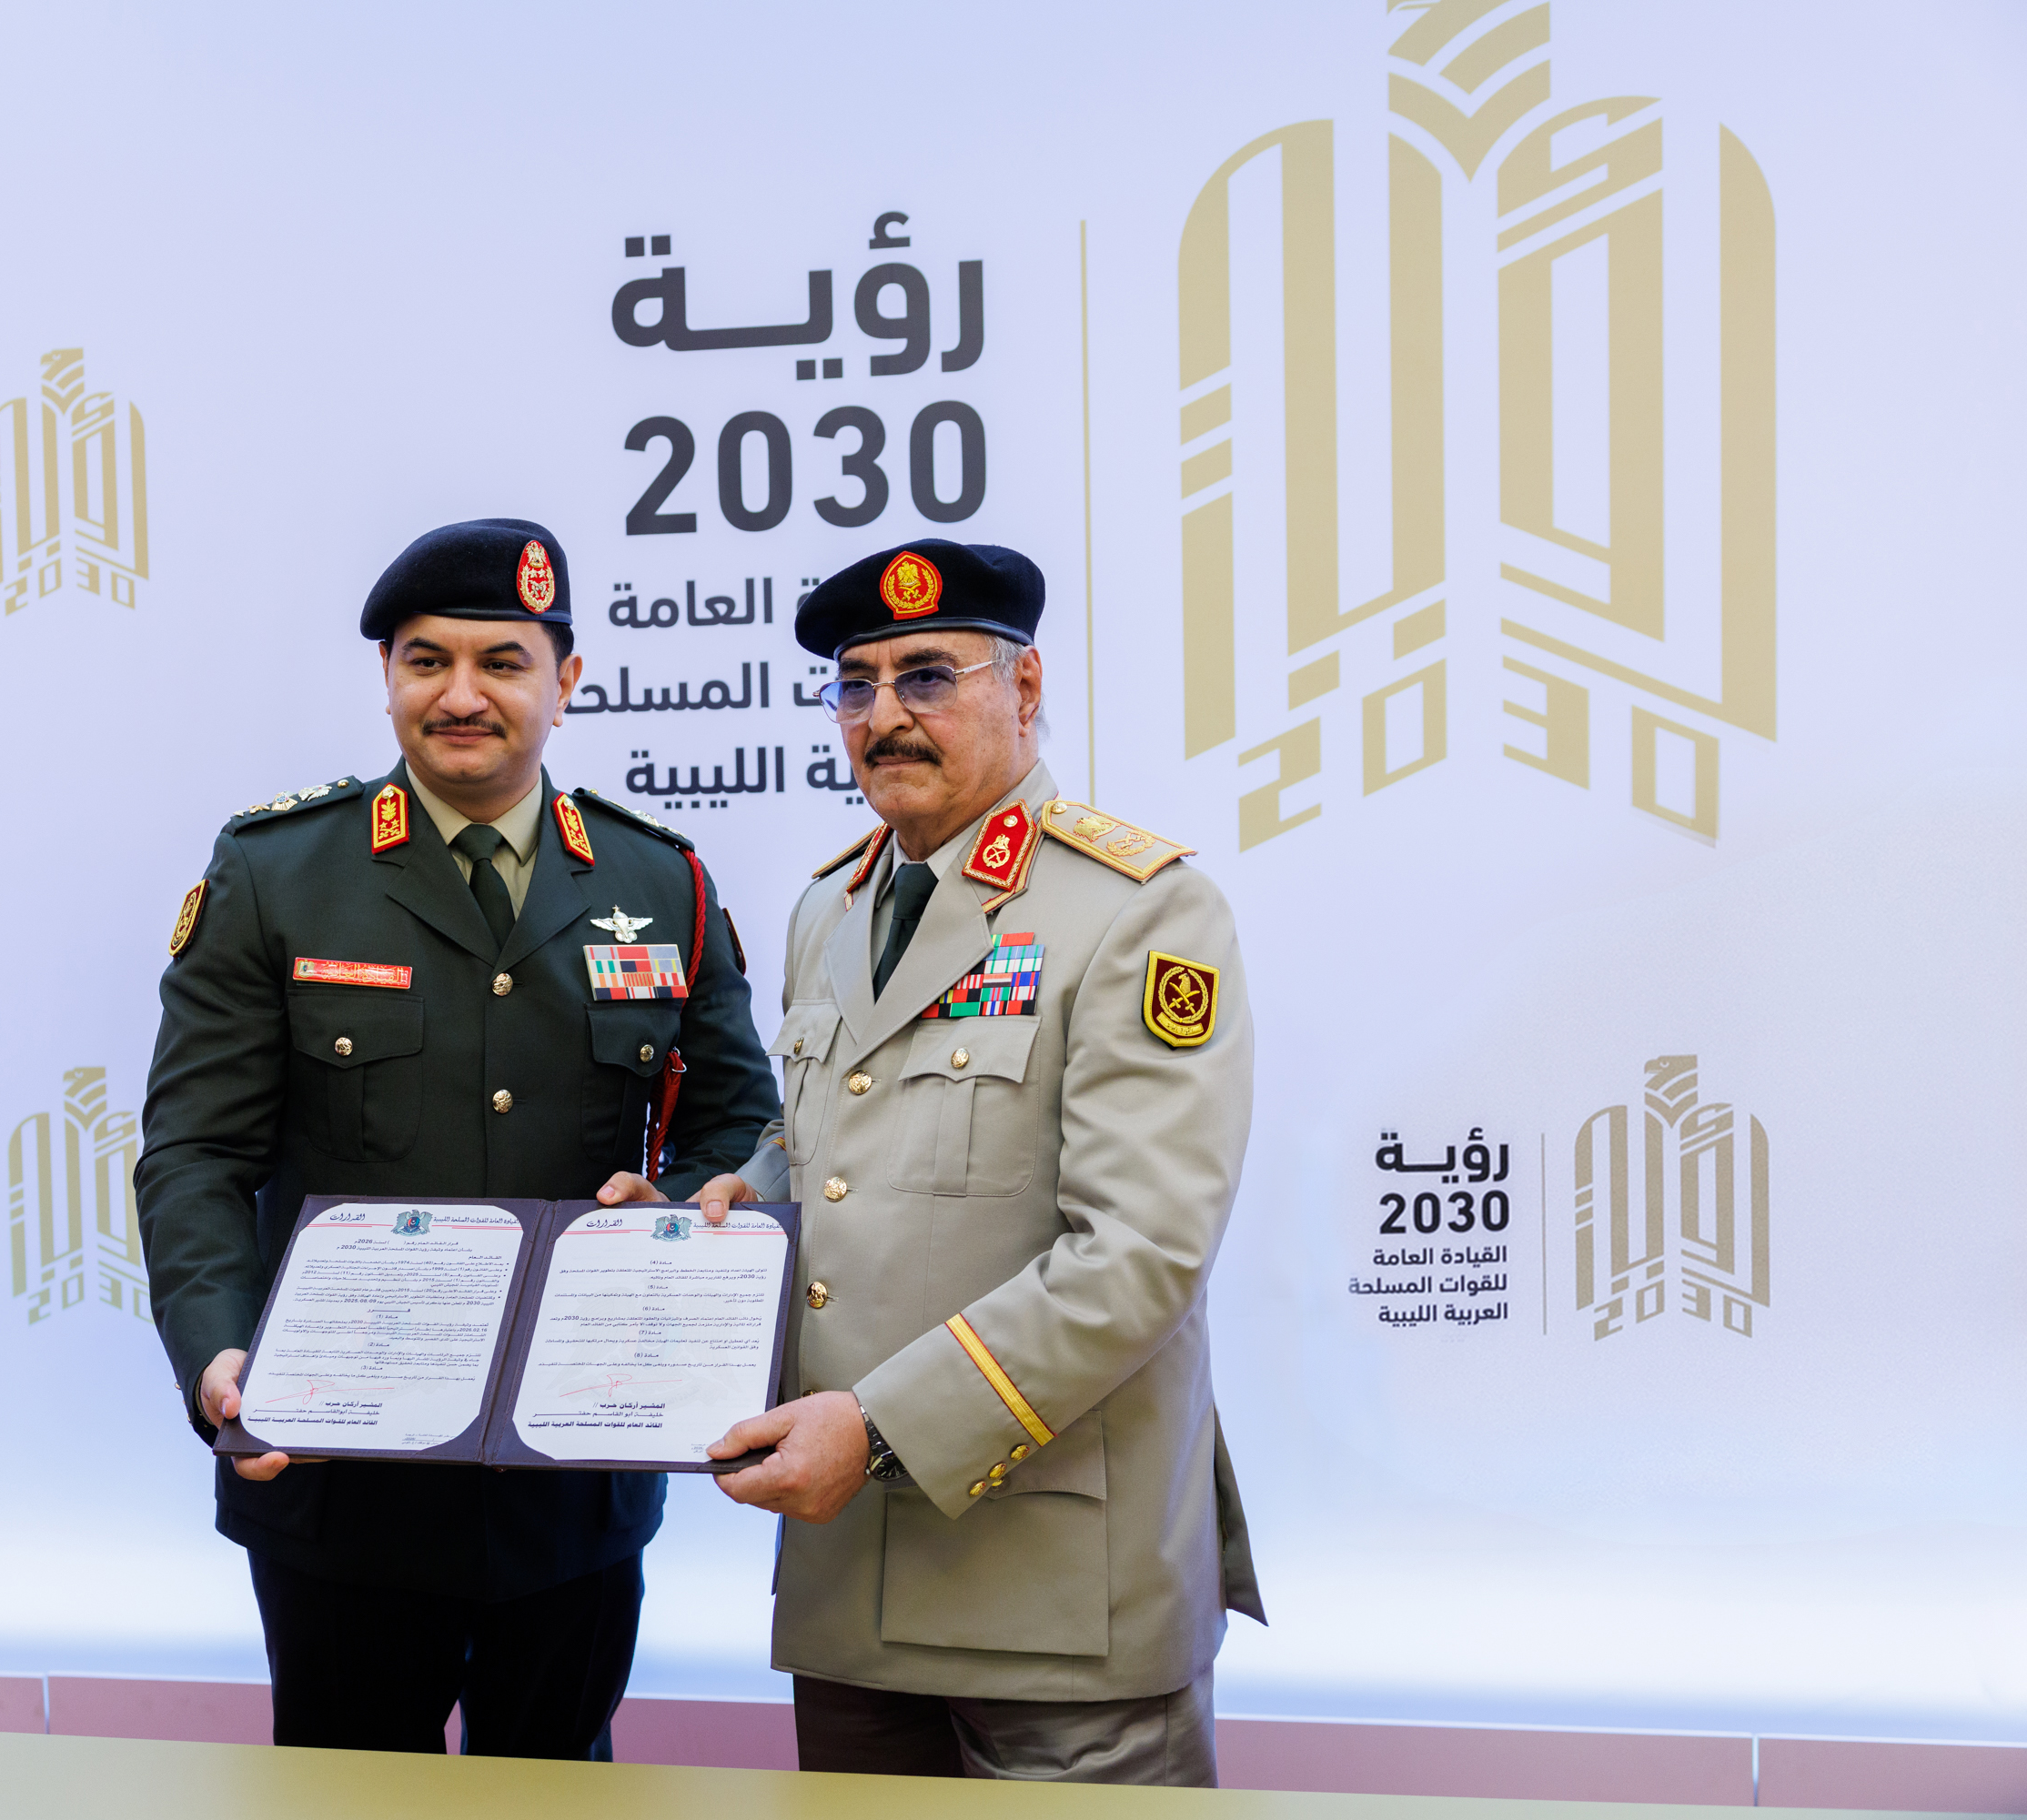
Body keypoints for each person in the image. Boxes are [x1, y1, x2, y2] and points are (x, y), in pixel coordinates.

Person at [134, 518, 780, 1760]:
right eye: (427, 661)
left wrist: (680, 1209)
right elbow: (197, 1153)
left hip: (575, 1482)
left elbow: (738, 1121)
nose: (462, 694)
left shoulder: (662, 881)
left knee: (560, 1793)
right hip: (339, 1480)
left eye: (503, 661)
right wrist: (216, 1356)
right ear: (387, 677)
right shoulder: (277, 873)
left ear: (566, 680)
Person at [690, 538, 1266, 1785]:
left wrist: (879, 1429)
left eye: (927, 676)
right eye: (855, 684)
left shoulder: (1137, 909)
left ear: (1025, 685)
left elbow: (1140, 1255)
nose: (884, 715)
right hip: (847, 1576)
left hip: (1052, 1591)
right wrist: (721, 1215)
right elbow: (823, 1145)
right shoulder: (830, 906)